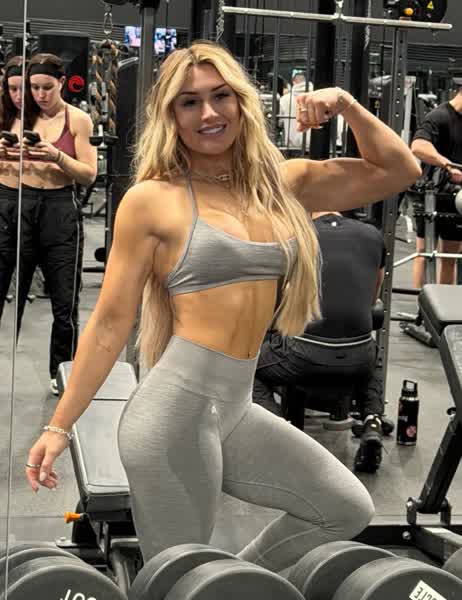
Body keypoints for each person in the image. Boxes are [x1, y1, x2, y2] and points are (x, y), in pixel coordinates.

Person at [26, 42, 420, 570]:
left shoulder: (282, 184)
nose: (209, 113)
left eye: (220, 96)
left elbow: (400, 169)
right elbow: (110, 323)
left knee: (344, 507)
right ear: (170, 116)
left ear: (241, 101)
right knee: (179, 576)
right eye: (189, 102)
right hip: (173, 416)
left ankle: (235, 583)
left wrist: (347, 105)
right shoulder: (153, 200)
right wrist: (58, 427)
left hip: (234, 408)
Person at [253, 210, 386, 473]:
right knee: (372, 357)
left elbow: (276, 302)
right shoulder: (373, 235)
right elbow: (373, 300)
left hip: (304, 355)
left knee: (248, 369)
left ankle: (282, 435)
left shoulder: (294, 235)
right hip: (358, 357)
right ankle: (373, 422)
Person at [13, 53, 97, 394]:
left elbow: (89, 174)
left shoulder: (78, 120)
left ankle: (61, 371)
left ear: (62, 83)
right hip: (22, 205)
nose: (39, 94)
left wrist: (57, 156)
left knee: (65, 301)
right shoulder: (19, 116)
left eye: (47, 87)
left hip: (60, 207)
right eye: (34, 87)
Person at [411, 86, 462, 288]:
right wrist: (446, 164)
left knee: (449, 256)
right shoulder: (439, 116)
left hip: (455, 196)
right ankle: (420, 304)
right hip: (431, 193)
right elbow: (418, 146)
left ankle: (444, 306)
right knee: (423, 254)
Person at [0, 56, 26, 323]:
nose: (18, 96)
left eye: (23, 89)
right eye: (12, 89)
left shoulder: (53, 119)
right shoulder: (2, 116)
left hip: (41, 203)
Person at [279, 71, 313, 150]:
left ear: (294, 82)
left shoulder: (284, 99)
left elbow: (279, 122)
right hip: (313, 144)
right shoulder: (316, 97)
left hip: (291, 146)